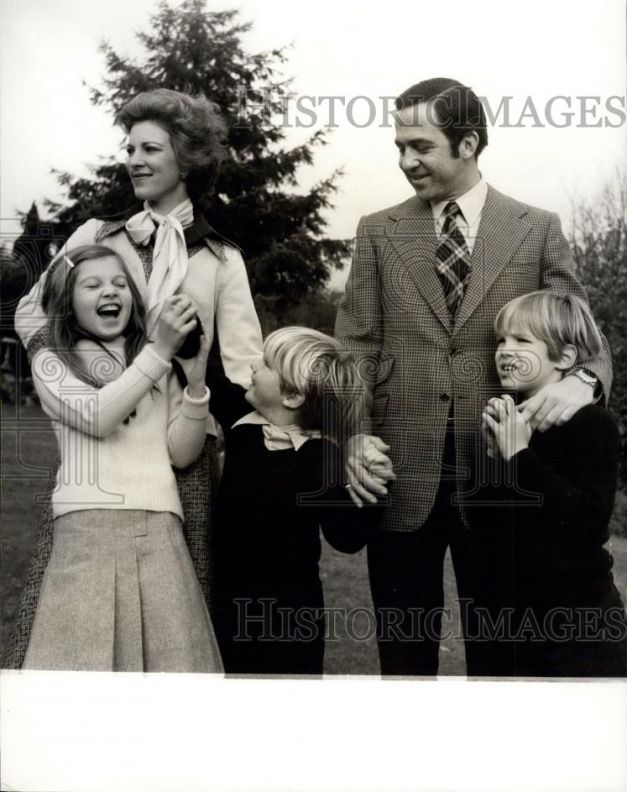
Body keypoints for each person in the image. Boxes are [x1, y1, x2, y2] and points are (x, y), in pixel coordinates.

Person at [335, 77, 612, 676]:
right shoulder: (379, 231)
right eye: (399, 146)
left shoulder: (535, 228)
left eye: (421, 146)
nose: (406, 161)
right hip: (398, 475)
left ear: (468, 144)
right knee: (404, 662)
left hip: (499, 481)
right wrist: (351, 435)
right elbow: (353, 345)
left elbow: (587, 339)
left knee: (502, 660)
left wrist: (583, 382)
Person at [5, 88, 263, 668]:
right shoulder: (97, 235)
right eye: (130, 147)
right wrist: (66, 368)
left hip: (181, 453)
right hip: (94, 446)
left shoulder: (220, 259)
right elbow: (30, 310)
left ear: (187, 158)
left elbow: (246, 369)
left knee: (178, 621)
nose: (134, 159)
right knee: (77, 613)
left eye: (150, 148)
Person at [23, 244, 222, 671]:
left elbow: (182, 453)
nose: (109, 292)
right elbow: (98, 416)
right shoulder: (51, 360)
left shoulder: (155, 362)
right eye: (91, 285)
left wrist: (197, 380)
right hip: (87, 532)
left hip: (160, 528)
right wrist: (160, 352)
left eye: (119, 283)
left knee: (170, 680)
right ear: (67, 301)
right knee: (85, 681)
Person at [209, 327, 382, 675]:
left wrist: (374, 485)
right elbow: (210, 377)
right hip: (228, 603)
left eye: (267, 364)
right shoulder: (242, 424)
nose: (254, 367)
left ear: (292, 396)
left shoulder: (321, 458)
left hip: (291, 618)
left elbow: (346, 537)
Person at [476, 291, 627, 677]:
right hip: (517, 621)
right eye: (501, 340)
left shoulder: (591, 424)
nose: (505, 351)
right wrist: (495, 460)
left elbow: (586, 523)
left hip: (580, 623)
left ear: (564, 358)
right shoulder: (511, 421)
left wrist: (519, 457)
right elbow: (492, 530)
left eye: (522, 341)